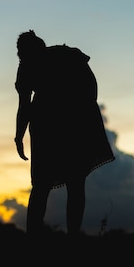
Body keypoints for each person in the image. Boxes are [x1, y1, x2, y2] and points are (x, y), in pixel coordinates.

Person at [14, 30, 115, 237]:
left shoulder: (59, 57)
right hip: (57, 126)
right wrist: (19, 135)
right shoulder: (62, 56)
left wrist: (19, 135)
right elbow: (92, 88)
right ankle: (64, 237)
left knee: (51, 185)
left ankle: (53, 237)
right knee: (66, 184)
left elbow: (25, 105)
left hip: (63, 126)